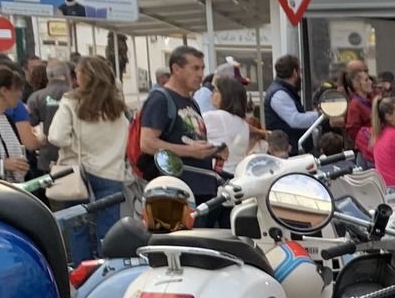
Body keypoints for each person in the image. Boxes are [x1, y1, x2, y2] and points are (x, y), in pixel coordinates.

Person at [48, 57, 131, 255]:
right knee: (109, 231)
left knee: (78, 228)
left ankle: (83, 276)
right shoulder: (118, 105)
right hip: (111, 172)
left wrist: (72, 143)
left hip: (78, 173)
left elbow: (56, 136)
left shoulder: (71, 101)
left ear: (84, 76)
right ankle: (107, 273)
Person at [138, 45, 220, 202]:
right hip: (176, 191)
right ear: (176, 69)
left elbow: (187, 138)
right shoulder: (160, 99)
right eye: (195, 68)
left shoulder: (191, 101)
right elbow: (147, 143)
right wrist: (190, 151)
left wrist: (211, 151)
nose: (201, 74)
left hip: (202, 187)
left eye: (202, 68)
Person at [261, 54, 320, 145]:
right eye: (299, 71)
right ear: (295, 72)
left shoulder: (283, 92)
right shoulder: (279, 94)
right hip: (287, 150)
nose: (301, 76)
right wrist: (319, 115)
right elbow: (295, 120)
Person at [203, 75, 251, 163]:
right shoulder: (244, 124)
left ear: (225, 95)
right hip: (235, 171)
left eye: (215, 90)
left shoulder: (216, 117)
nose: (212, 93)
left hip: (218, 171)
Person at [340, 64, 375, 151]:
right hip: (366, 151)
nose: (370, 82)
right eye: (366, 80)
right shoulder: (355, 105)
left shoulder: (370, 100)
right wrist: (365, 144)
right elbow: (353, 131)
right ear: (356, 84)